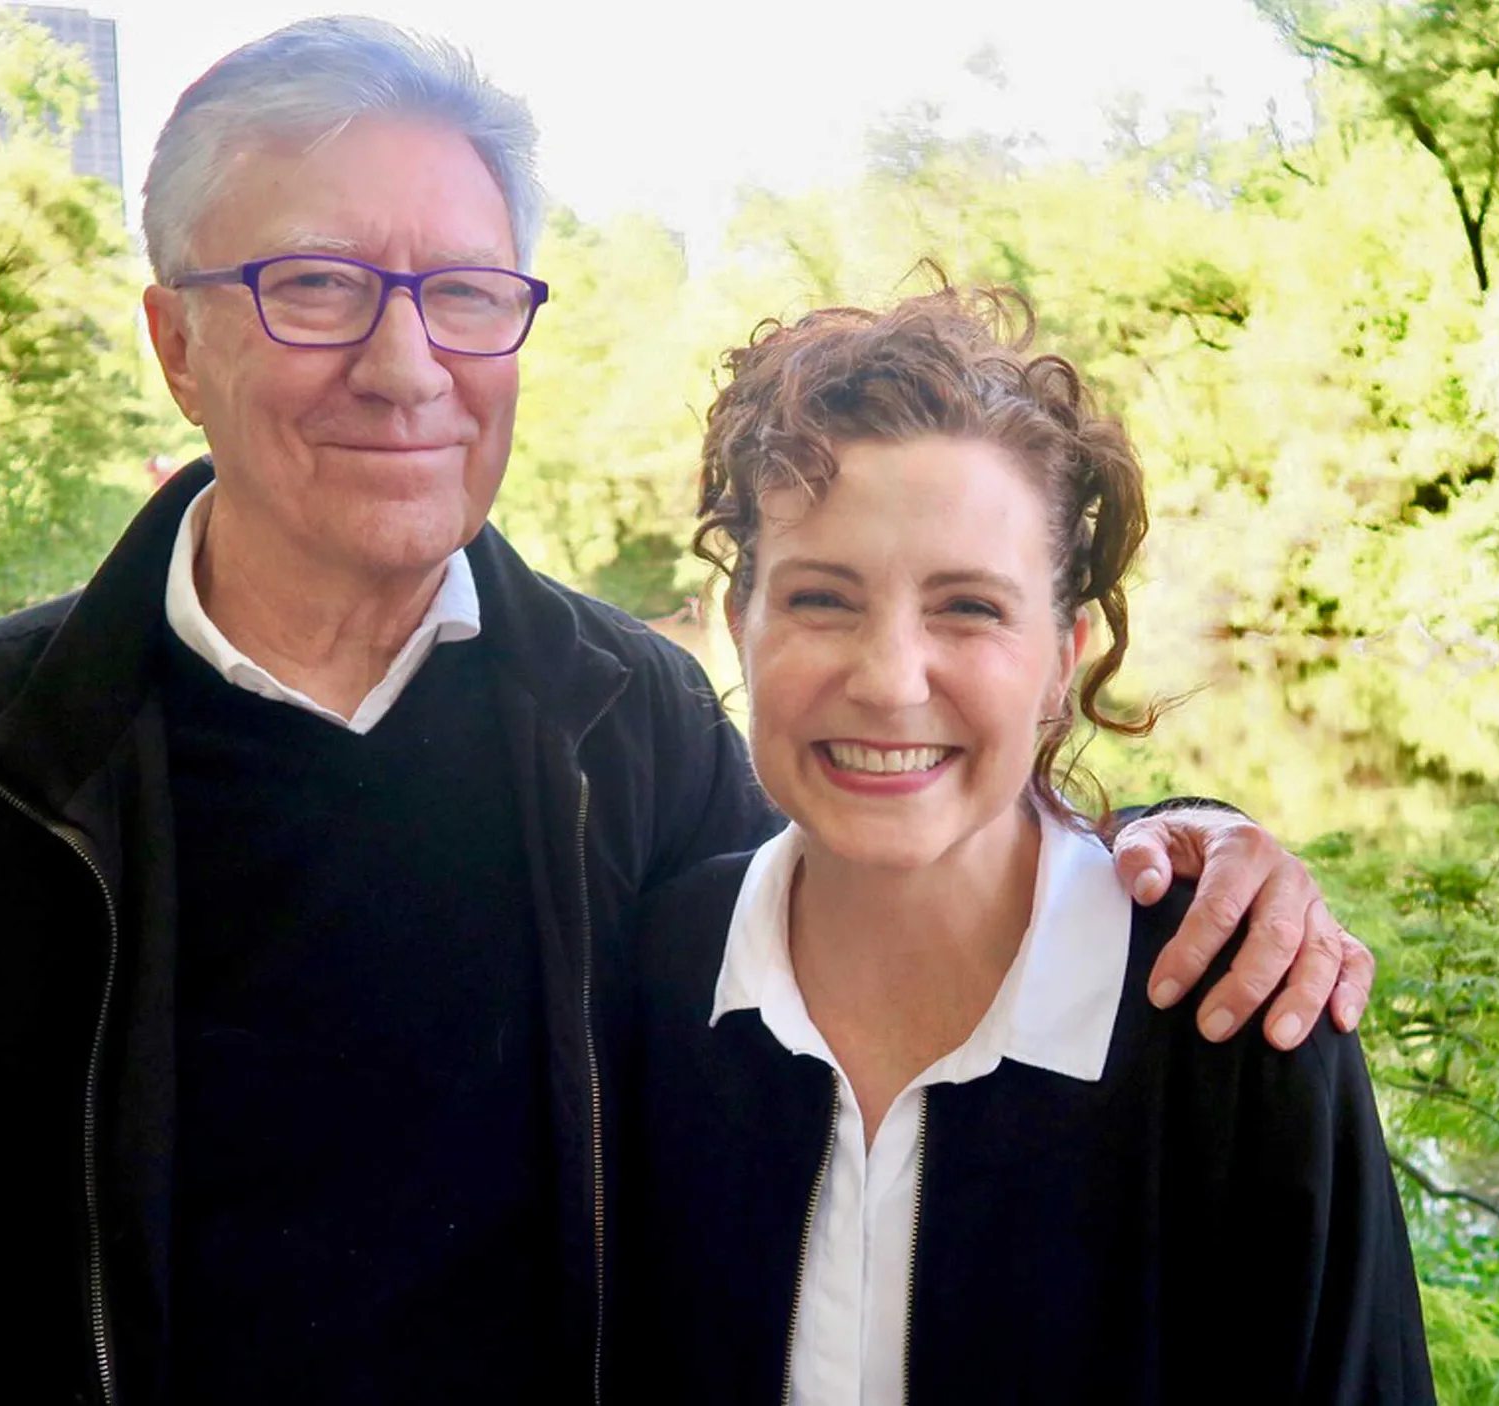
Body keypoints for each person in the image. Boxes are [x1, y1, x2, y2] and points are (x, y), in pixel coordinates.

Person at [0, 17, 1376, 1405]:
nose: (404, 365)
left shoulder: (629, 728)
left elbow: (884, 910)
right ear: (177, 342)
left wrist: (1183, 854)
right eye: (316, 285)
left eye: (465, 294)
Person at [609, 289, 1432, 1404]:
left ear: (1062, 658)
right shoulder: (646, 980)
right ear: (737, 623)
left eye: (969, 608)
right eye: (822, 599)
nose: (889, 679)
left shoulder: (1236, 1019)